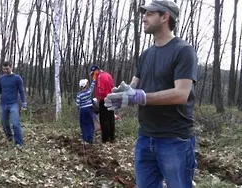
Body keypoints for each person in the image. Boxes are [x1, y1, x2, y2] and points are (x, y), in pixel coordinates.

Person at [104, 1, 198, 187]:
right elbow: (134, 83)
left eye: (149, 13)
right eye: (144, 13)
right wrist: (121, 94)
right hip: (145, 138)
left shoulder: (183, 51)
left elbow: (181, 94)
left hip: (175, 140)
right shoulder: (146, 54)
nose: (144, 18)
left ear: (165, 17)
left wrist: (140, 97)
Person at [0, 61, 27, 149]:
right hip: (3, 104)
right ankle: (10, 138)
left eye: (7, 69)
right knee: (4, 123)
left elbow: (21, 91)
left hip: (13, 104)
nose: (5, 70)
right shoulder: (1, 79)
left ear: (11, 67)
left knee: (15, 123)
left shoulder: (17, 78)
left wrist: (24, 104)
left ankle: (19, 143)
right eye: (4, 69)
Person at [90, 65, 115, 143]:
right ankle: (112, 137)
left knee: (104, 120)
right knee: (111, 118)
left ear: (96, 71)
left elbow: (100, 91)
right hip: (111, 98)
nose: (93, 75)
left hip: (104, 99)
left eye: (93, 73)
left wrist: (98, 102)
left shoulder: (100, 77)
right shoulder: (108, 75)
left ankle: (105, 139)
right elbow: (113, 87)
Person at [75, 75, 97, 145]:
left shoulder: (79, 94)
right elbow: (92, 86)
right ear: (85, 86)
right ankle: (90, 139)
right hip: (89, 109)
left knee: (83, 124)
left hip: (82, 111)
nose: (88, 84)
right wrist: (94, 79)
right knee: (90, 124)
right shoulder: (89, 92)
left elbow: (77, 104)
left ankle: (85, 139)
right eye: (87, 83)